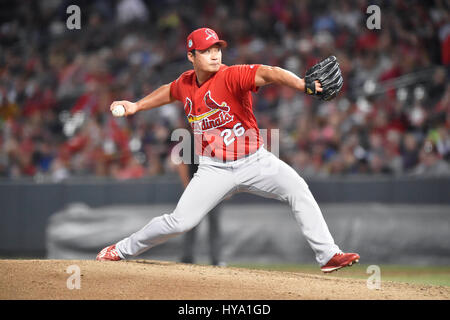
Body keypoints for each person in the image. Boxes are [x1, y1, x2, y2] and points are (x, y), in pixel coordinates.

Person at [96, 27, 360, 273]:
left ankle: (327, 255)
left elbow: (270, 72)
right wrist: (137, 106)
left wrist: (302, 84)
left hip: (255, 161)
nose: (214, 55)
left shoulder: (231, 75)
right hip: (213, 169)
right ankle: (118, 250)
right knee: (179, 222)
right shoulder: (185, 83)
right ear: (191, 56)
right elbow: (169, 91)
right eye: (206, 51)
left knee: (297, 188)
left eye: (217, 49)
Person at [176, 130, 225, 266]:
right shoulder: (193, 140)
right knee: (190, 224)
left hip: (214, 189)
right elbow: (181, 163)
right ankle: (187, 258)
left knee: (214, 226)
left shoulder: (219, 141)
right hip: (197, 189)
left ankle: (216, 259)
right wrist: (187, 186)